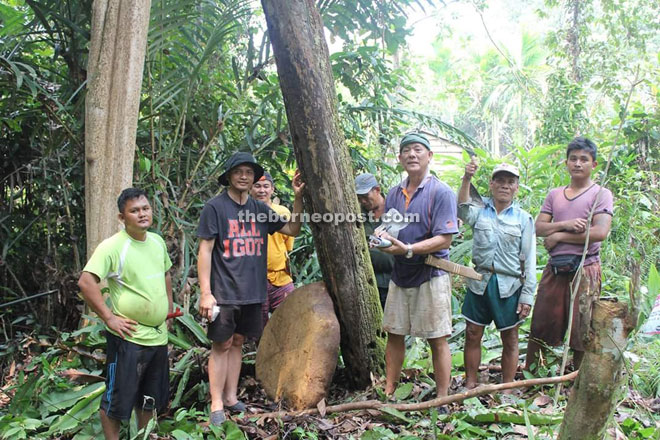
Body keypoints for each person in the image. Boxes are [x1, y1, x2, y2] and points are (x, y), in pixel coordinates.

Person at [197, 152, 304, 426]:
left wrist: (298, 197)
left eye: (249, 172)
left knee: (237, 342)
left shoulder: (259, 209)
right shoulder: (215, 207)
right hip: (224, 291)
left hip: (253, 292)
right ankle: (217, 404)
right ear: (229, 176)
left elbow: (292, 229)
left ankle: (231, 398)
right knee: (221, 344)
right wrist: (205, 292)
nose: (244, 176)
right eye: (238, 171)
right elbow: (206, 250)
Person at [77, 188, 173, 440]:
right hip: (128, 339)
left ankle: (144, 437)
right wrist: (109, 317)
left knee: (149, 400)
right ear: (122, 217)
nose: (142, 214)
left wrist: (168, 309)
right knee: (117, 401)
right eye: (134, 210)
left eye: (145, 208)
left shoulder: (157, 242)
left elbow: (166, 274)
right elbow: (86, 282)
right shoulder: (113, 246)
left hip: (157, 337)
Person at [376, 132, 459, 398]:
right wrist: (380, 237)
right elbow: (391, 228)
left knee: (437, 337)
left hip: (430, 273)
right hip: (401, 274)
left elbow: (444, 238)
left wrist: (409, 249)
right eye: (407, 151)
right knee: (395, 334)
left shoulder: (441, 192)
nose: (412, 155)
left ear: (429, 156)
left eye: (418, 150)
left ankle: (443, 397)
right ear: (400, 158)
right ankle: (389, 390)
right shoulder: (394, 194)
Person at [525, 137, 613, 371]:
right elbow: (539, 227)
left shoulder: (600, 194)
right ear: (566, 163)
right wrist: (566, 224)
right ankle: (533, 376)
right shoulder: (555, 194)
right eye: (573, 159)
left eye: (584, 159)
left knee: (582, 327)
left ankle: (577, 380)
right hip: (556, 268)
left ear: (594, 165)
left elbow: (600, 232)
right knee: (542, 323)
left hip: (585, 268)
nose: (577, 164)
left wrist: (559, 237)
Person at [457, 160, 536, 389]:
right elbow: (462, 208)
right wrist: (466, 178)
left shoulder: (523, 219)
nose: (504, 186)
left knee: (510, 338)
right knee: (472, 332)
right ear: (491, 184)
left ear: (516, 188)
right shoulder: (480, 211)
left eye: (510, 182)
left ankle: (507, 387)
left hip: (509, 284)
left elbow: (530, 260)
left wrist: (527, 296)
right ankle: (470, 383)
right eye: (500, 181)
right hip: (479, 281)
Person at [250, 171, 296, 328]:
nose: (262, 190)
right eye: (257, 186)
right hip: (254, 280)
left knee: (290, 321)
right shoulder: (243, 213)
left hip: (280, 277)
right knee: (259, 328)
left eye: (265, 186)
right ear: (250, 188)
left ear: (272, 189)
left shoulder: (282, 212)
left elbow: (288, 245)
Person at [355, 172, 394, 309]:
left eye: (366, 197)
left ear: (377, 190)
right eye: (359, 198)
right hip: (368, 282)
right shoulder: (358, 215)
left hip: (394, 282)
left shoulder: (395, 210)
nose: (363, 201)